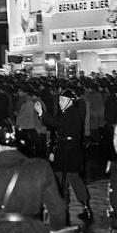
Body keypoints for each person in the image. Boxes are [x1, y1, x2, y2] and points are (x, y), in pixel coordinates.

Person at [34, 88, 92, 222]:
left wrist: (42, 112)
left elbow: (57, 124)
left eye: (62, 100)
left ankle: (63, 212)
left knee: (62, 181)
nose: (59, 102)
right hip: (68, 150)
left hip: (68, 152)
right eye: (59, 99)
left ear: (70, 101)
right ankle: (85, 209)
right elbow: (58, 127)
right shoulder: (69, 112)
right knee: (74, 180)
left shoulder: (72, 113)